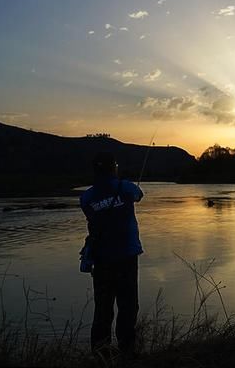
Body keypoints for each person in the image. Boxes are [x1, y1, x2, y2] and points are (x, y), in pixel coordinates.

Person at [79, 152, 144, 357]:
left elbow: (93, 216)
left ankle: (100, 355)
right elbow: (138, 195)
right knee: (128, 307)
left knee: (103, 311)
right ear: (113, 167)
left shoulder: (86, 197)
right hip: (126, 257)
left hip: (101, 260)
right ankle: (127, 353)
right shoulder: (125, 187)